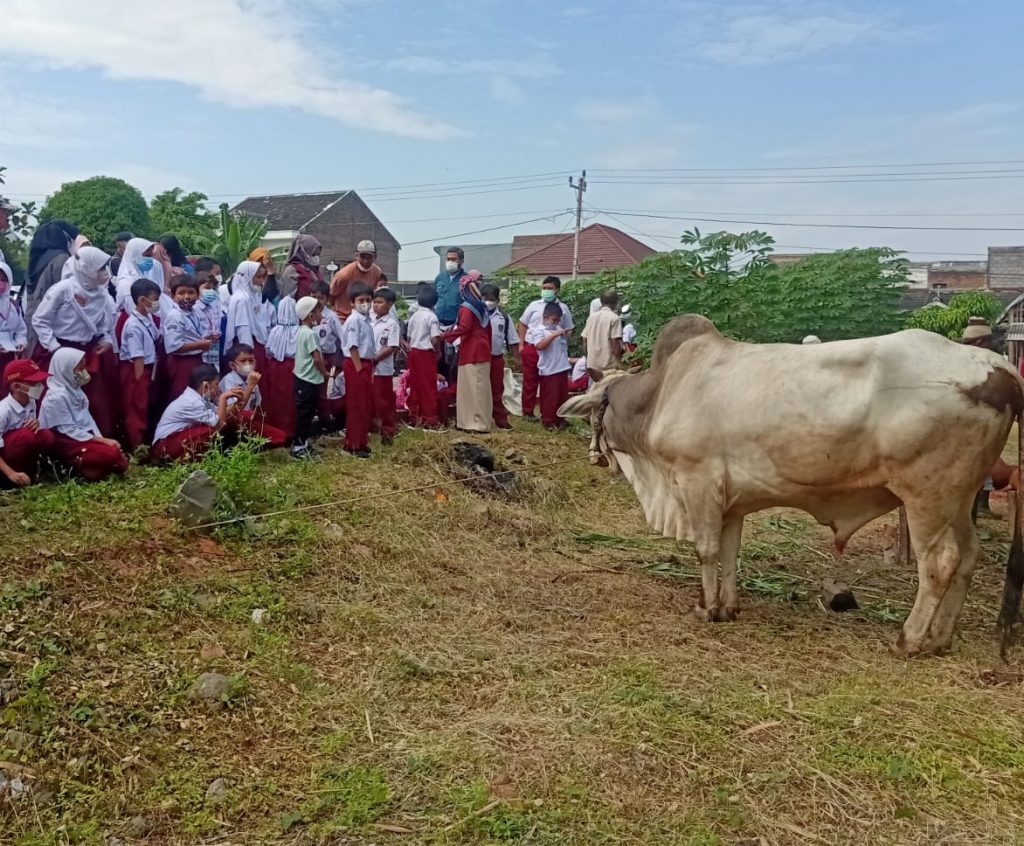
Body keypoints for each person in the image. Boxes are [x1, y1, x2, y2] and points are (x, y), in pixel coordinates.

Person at [31, 246, 120, 437]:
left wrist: (106, 340)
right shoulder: (63, 289)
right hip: (57, 350)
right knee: (51, 395)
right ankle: (51, 440)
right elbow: (40, 320)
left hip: (85, 352)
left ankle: (91, 439)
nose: (105, 273)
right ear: (86, 268)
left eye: (106, 268)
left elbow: (104, 327)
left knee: (91, 398)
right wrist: (54, 348)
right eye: (100, 268)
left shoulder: (102, 294)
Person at [37, 347, 128, 481]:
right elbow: (69, 430)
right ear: (65, 369)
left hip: (83, 437)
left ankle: (90, 470)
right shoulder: (56, 397)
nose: (83, 372)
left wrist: (103, 441)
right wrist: (103, 441)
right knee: (112, 455)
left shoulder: (76, 391)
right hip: (66, 441)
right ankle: (70, 468)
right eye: (79, 369)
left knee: (115, 454)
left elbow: (88, 421)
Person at [443, 270, 493, 433]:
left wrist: (446, 337)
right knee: (479, 387)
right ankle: (472, 421)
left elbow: (464, 327)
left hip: (472, 351)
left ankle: (475, 423)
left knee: (473, 387)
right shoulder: (482, 307)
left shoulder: (467, 307)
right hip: (482, 349)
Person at [517, 276, 572, 419]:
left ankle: (549, 413)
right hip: (532, 346)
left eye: (550, 289)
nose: (546, 291)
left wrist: (562, 346)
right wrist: (521, 344)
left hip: (552, 349)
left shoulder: (563, 308)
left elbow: (568, 329)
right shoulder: (534, 305)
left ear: (557, 290)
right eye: (544, 288)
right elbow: (523, 323)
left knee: (550, 383)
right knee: (530, 380)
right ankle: (528, 411)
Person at [23, 219, 79, 354]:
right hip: (51, 334)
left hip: (32, 328)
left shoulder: (36, 260)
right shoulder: (61, 259)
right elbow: (67, 296)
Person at [118, 278, 162, 449]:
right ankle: (136, 447)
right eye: (155, 299)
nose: (157, 303)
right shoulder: (133, 326)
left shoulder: (148, 317)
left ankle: (144, 441)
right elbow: (138, 358)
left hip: (149, 368)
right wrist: (139, 383)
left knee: (145, 407)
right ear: (142, 300)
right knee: (136, 407)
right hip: (137, 371)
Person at [218, 344, 289, 446]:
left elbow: (256, 405)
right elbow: (235, 411)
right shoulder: (228, 380)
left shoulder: (251, 378)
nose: (248, 364)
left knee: (280, 437)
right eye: (243, 361)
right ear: (232, 365)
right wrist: (250, 386)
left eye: (251, 361)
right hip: (232, 425)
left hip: (249, 422)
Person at [0, 359, 56, 487]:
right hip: (4, 461)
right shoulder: (3, 411)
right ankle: (7, 479)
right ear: (16, 387)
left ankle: (29, 474)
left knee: (46, 435)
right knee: (26, 435)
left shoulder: (31, 402)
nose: (39, 385)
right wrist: (11, 473)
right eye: (33, 382)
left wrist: (35, 423)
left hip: (18, 451)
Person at [338, 283, 376, 458]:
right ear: (352, 302)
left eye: (368, 300)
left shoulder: (366, 320)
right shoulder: (354, 320)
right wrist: (359, 370)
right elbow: (352, 347)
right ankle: (352, 445)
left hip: (366, 363)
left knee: (365, 405)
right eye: (361, 300)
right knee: (356, 406)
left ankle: (361, 441)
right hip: (356, 364)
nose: (365, 303)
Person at [291, 296, 329, 459]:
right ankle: (298, 446)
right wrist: (325, 372)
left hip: (302, 379)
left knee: (305, 413)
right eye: (319, 311)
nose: (321, 314)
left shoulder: (301, 331)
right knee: (305, 414)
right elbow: (317, 358)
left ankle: (304, 443)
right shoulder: (311, 334)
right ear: (310, 315)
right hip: (308, 379)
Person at [526, 301, 572, 429]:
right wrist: (553, 335)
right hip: (549, 369)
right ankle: (548, 420)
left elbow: (564, 345)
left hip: (561, 366)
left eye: (558, 321)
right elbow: (540, 346)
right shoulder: (538, 330)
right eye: (554, 320)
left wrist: (565, 335)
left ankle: (560, 418)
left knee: (562, 396)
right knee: (550, 397)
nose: (556, 323)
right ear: (545, 317)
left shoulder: (558, 329)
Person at [224, 260, 274, 375]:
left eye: (262, 277)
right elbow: (243, 329)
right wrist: (248, 357)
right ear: (247, 277)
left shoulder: (250, 296)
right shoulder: (243, 299)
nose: (261, 282)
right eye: (258, 277)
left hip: (253, 345)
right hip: (248, 348)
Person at [481, 283, 518, 430]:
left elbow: (513, 339)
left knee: (497, 389)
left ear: (497, 300)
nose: (488, 302)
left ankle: (500, 419)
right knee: (479, 389)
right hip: (479, 359)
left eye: (491, 299)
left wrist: (516, 358)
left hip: (496, 357)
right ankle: (481, 418)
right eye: (485, 298)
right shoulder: (475, 314)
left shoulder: (503, 317)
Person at [405, 285, 443, 429]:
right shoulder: (431, 317)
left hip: (414, 351)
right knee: (428, 385)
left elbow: (408, 336)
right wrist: (438, 351)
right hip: (425, 353)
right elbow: (434, 338)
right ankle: (430, 418)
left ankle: (415, 415)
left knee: (415, 384)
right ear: (434, 302)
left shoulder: (415, 315)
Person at [264, 298, 300, 440]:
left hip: (275, 367)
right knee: (290, 399)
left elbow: (268, 350)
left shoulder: (275, 331)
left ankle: (277, 429)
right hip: (292, 367)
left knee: (277, 398)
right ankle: (290, 429)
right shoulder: (299, 331)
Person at [371, 287, 401, 444]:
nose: (375, 305)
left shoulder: (391, 324)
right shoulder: (371, 320)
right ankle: (375, 427)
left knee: (384, 401)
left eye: (379, 302)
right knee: (373, 400)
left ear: (389, 305)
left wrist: (375, 359)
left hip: (382, 369)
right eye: (374, 302)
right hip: (370, 369)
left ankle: (388, 431)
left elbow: (391, 347)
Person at [330, 240, 383, 318]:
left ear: (375, 257)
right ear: (356, 256)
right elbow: (332, 295)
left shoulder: (377, 272)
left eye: (369, 257)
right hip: (343, 317)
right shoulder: (344, 274)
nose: (365, 261)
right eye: (362, 257)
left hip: (363, 316)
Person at [0, 259, 28, 398]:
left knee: (6, 393)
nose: (1, 283)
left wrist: (20, 343)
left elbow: (20, 330)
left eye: (4, 279)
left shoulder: (13, 306)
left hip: (8, 357)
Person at [581, 289, 623, 372]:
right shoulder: (614, 318)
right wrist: (619, 361)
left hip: (592, 364)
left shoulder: (591, 317)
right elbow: (615, 342)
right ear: (615, 303)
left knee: (595, 385)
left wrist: (587, 358)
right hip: (608, 365)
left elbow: (584, 339)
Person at [279, 235, 322, 301]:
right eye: (313, 254)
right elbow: (288, 299)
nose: (316, 258)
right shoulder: (291, 270)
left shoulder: (316, 270)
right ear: (302, 252)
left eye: (318, 255)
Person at [434, 246, 466, 328]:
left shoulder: (466, 280)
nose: (450, 262)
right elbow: (434, 298)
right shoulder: (440, 277)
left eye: (454, 259)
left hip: (457, 324)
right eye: (448, 259)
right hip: (438, 322)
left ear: (461, 261)